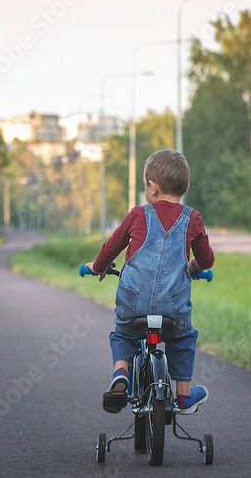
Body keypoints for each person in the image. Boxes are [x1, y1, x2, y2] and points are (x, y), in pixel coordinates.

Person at [85, 149, 214, 415]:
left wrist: (97, 267)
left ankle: (121, 372)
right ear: (184, 187)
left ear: (152, 188)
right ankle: (184, 396)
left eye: (146, 185)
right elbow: (206, 259)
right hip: (173, 307)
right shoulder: (193, 218)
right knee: (183, 339)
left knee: (122, 334)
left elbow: (111, 248)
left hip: (133, 303)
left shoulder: (137, 215)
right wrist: (194, 266)